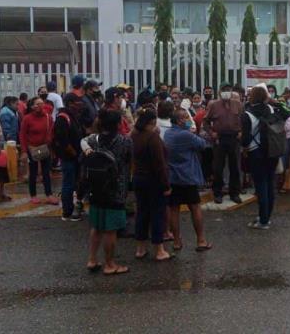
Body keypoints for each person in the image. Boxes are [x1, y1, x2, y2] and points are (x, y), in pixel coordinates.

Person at [81, 109, 132, 275]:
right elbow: (130, 160)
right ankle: (110, 264)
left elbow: (82, 141)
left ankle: (92, 259)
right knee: (111, 230)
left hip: (95, 188)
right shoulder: (124, 142)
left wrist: (88, 151)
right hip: (115, 190)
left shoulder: (94, 140)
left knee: (96, 226)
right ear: (118, 124)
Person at [164, 108, 213, 249]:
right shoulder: (186, 135)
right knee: (195, 207)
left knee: (174, 209)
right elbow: (203, 144)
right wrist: (192, 132)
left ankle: (177, 241)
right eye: (185, 117)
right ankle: (201, 240)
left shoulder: (168, 133)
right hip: (187, 176)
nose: (188, 119)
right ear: (179, 120)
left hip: (173, 176)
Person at [132, 108, 173, 260]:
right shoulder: (152, 137)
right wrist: (166, 185)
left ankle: (140, 248)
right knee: (157, 214)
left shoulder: (134, 136)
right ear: (153, 122)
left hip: (139, 178)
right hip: (154, 180)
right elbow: (159, 164)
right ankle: (159, 249)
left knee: (142, 213)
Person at [242, 86, 284, 229]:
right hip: (271, 151)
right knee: (270, 183)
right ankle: (267, 217)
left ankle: (263, 220)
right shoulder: (271, 109)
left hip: (256, 152)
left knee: (260, 186)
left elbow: (245, 140)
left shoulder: (247, 114)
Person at [203, 82, 244, 204]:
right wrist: (211, 133)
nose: (227, 91)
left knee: (235, 167)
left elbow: (243, 119)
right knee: (218, 168)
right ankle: (218, 193)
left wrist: (241, 131)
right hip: (219, 139)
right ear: (220, 91)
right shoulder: (214, 105)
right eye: (224, 89)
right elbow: (205, 121)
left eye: (229, 89)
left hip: (234, 138)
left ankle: (234, 193)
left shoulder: (238, 104)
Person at [54, 93, 85, 221]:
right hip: (69, 157)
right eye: (78, 102)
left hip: (77, 156)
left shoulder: (74, 116)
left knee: (76, 182)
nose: (81, 104)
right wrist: (75, 154)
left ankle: (76, 207)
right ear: (70, 103)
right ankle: (67, 212)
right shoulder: (63, 118)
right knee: (68, 184)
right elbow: (63, 141)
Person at [20, 96, 56, 204]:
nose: (40, 106)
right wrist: (25, 150)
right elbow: (22, 135)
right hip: (32, 148)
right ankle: (33, 195)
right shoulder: (27, 118)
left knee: (46, 172)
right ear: (32, 107)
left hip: (44, 148)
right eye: (37, 104)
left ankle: (49, 194)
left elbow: (52, 130)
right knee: (33, 172)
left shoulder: (48, 117)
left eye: (41, 103)